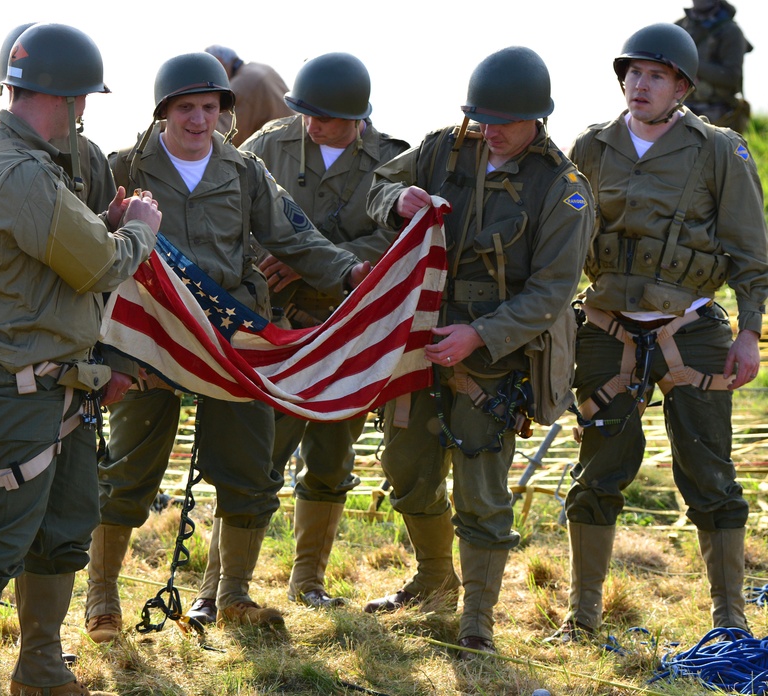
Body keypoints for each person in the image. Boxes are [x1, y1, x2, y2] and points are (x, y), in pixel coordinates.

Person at [84, 51, 370, 642]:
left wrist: (348, 273)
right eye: (186, 108)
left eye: (209, 107)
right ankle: (102, 598)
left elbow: (294, 235)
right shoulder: (122, 167)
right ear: (164, 111)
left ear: (223, 111)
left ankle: (233, 594)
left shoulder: (243, 171)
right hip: (147, 340)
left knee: (247, 471)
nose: (197, 120)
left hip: (231, 338)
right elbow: (87, 240)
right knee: (128, 472)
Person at [182, 51, 442, 625]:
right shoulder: (266, 145)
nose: (312, 124)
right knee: (252, 461)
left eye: (325, 116)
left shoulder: (392, 160)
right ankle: (216, 590)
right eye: (305, 113)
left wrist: (319, 261)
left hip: (346, 331)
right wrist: (271, 259)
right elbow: (231, 216)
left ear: (358, 118)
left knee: (330, 457)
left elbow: (400, 247)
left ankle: (309, 582)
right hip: (272, 329)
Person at [0, 23, 161, 696]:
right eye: (83, 100)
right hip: (21, 390)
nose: (85, 113)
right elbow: (99, 265)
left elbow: (53, 252)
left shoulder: (11, 158)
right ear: (65, 100)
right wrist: (137, 230)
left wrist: (101, 220)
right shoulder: (22, 170)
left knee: (64, 528)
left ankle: (38, 664)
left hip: (59, 387)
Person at [365, 46, 593, 657]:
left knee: (482, 494)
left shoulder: (563, 188)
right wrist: (395, 203)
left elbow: (551, 292)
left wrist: (480, 335)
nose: (489, 132)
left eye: (503, 122)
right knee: (406, 473)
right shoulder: (444, 149)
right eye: (481, 118)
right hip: (416, 344)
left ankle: (477, 621)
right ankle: (435, 576)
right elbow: (377, 185)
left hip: (492, 362)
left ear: (536, 119)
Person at [547, 22, 768, 644]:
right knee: (597, 473)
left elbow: (751, 254)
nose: (638, 85)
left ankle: (730, 624)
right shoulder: (590, 146)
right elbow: (559, 244)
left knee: (710, 475)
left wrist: (748, 334)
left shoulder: (720, 149)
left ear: (682, 86)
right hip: (605, 327)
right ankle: (582, 619)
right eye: (631, 74)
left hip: (692, 331)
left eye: (654, 75)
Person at [675, 0, 753, 133]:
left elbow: (731, 77)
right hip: (680, 109)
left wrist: (692, 65)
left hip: (718, 115)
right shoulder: (680, 27)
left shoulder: (731, 31)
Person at [205, 44, 292, 146]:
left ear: (218, 62)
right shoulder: (261, 68)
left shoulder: (241, 85)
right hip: (292, 139)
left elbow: (226, 138)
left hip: (276, 149)